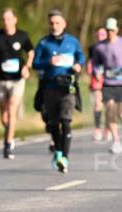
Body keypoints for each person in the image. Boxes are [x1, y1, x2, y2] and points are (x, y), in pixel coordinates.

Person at [33, 10, 85, 173]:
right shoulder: (43, 43)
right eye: (52, 23)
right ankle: (58, 151)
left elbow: (81, 57)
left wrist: (78, 65)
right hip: (50, 87)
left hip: (67, 87)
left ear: (64, 24)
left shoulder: (72, 42)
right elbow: (35, 63)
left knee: (66, 122)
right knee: (54, 123)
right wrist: (48, 61)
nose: (55, 26)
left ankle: (65, 158)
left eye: (58, 23)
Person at [0, 8, 34, 159]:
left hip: (17, 80)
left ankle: (8, 144)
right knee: (4, 116)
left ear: (15, 19)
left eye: (9, 19)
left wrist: (27, 67)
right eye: (4, 19)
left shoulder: (22, 36)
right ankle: (10, 130)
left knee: (12, 109)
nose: (6, 22)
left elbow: (30, 52)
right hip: (0, 79)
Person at [90, 18, 122, 154]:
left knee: (120, 113)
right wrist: (97, 72)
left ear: (116, 30)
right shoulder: (99, 47)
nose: (110, 33)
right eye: (108, 30)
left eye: (112, 30)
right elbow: (96, 63)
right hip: (108, 82)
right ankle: (116, 141)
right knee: (109, 111)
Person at [86, 27, 108, 141]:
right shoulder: (92, 48)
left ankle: (108, 128)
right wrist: (92, 71)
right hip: (97, 79)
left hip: (110, 79)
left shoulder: (110, 47)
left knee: (109, 105)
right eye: (98, 34)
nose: (100, 36)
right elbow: (90, 63)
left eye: (103, 34)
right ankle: (98, 128)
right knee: (98, 104)